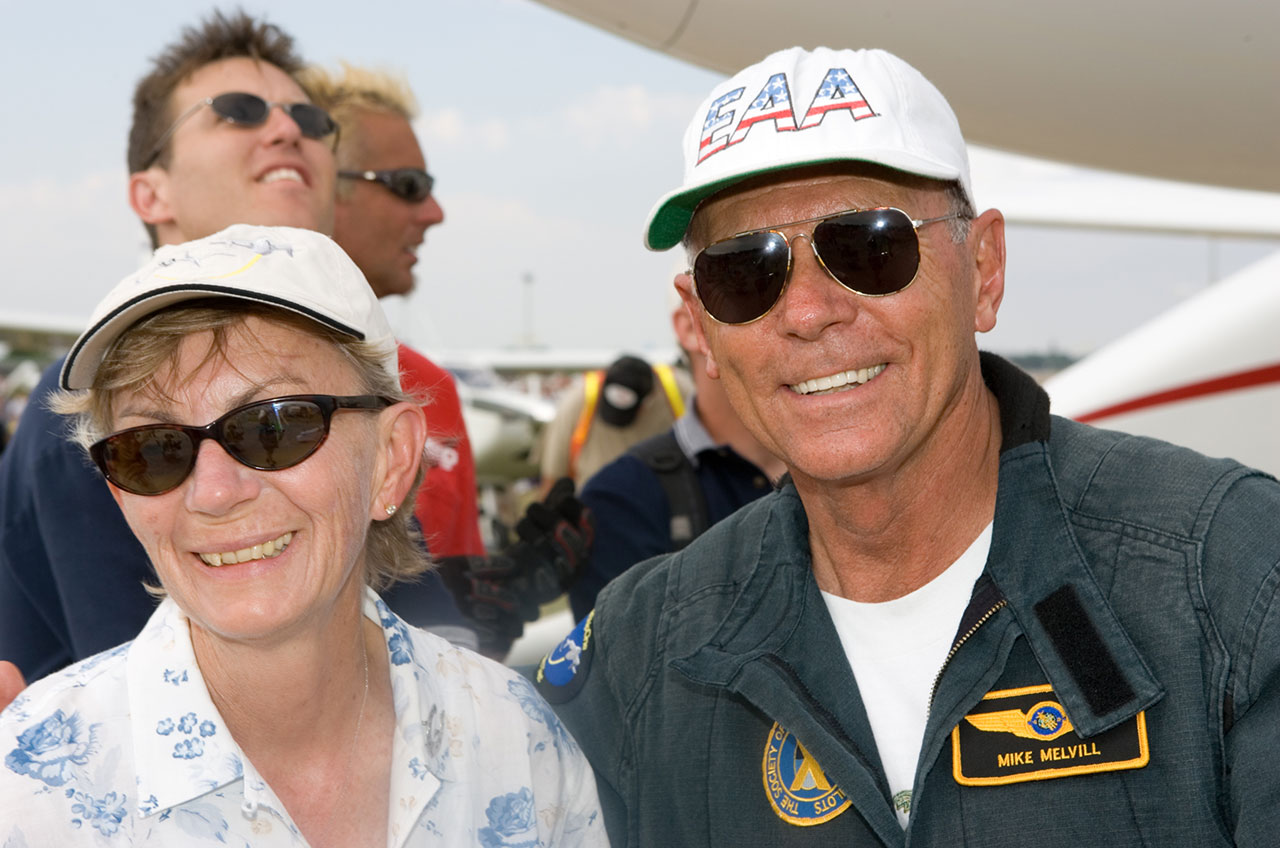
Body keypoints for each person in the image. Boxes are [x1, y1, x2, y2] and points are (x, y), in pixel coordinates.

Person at [535, 47, 1280, 845]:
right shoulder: (640, 657)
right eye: (745, 273)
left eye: (867, 247)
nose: (809, 311)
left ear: (984, 270)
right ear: (701, 326)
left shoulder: (1228, 577)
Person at [0, 225, 606, 847]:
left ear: (391, 458)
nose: (213, 492)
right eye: (151, 450)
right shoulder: (27, 792)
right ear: (120, 494)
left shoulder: (522, 749)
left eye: (274, 426)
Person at [0, 11, 473, 687]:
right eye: (238, 111)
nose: (287, 130)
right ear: (150, 192)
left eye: (311, 123)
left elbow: (435, 652)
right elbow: (176, 723)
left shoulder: (350, 386)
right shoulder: (84, 414)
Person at [302, 63, 486, 561]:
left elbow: (458, 623)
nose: (434, 213)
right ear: (317, 186)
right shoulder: (209, 398)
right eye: (409, 185)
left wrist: (483, 600)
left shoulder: (432, 391)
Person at [567, 294, 784, 619]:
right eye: (758, 286)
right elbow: (621, 662)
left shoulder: (856, 465)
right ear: (693, 326)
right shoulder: (618, 501)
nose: (807, 314)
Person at [535, 353, 688, 492]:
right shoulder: (576, 403)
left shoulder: (679, 393)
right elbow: (552, 480)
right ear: (603, 386)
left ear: (646, 402)